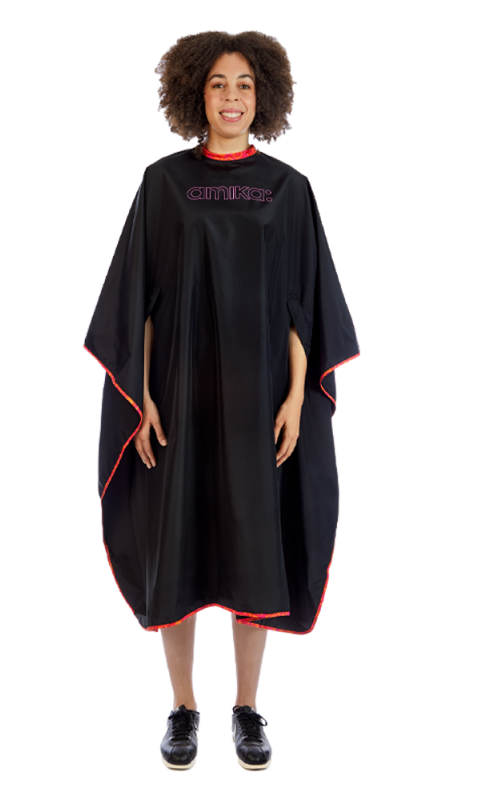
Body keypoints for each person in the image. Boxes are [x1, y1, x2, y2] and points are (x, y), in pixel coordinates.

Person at [82, 30, 360, 772]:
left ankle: (245, 707)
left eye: (244, 85)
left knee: (253, 545)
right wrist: (143, 396)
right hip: (178, 399)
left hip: (257, 403)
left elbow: (303, 310)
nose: (231, 98)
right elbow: (139, 302)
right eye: (217, 84)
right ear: (194, 95)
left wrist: (296, 398)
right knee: (176, 542)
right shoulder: (162, 183)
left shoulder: (289, 189)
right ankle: (181, 707)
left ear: (264, 95)